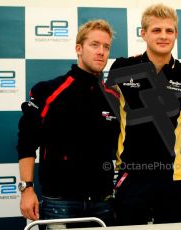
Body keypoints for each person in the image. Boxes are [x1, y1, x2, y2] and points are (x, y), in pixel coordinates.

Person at [17, 19, 119, 228]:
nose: (101, 51)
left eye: (106, 47)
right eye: (94, 45)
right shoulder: (48, 90)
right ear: (78, 49)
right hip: (59, 203)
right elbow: (26, 142)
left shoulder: (114, 97)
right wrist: (27, 189)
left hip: (103, 203)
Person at [108, 3, 181, 225]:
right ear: (143, 33)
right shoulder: (121, 68)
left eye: (169, 30)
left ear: (176, 34)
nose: (163, 36)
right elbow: (105, 113)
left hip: (173, 178)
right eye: (156, 30)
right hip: (131, 177)